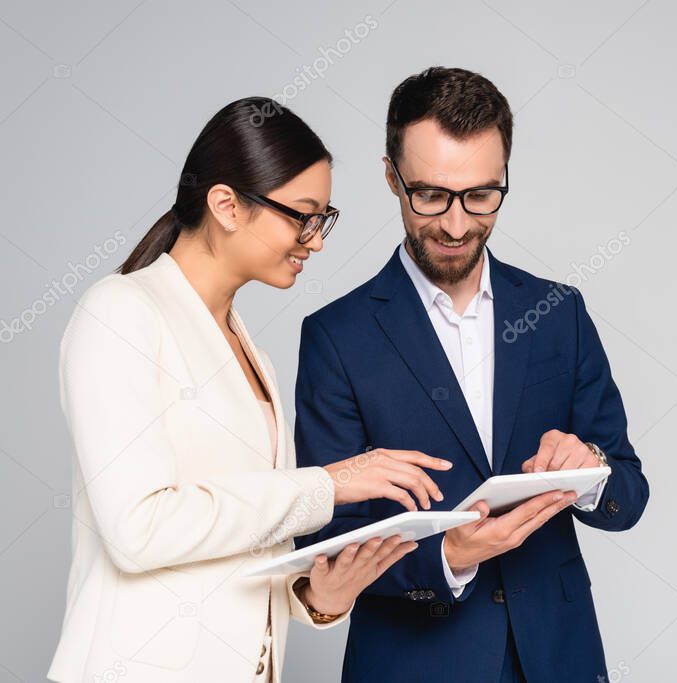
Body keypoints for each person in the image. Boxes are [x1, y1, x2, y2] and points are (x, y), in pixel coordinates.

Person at [48, 97, 452, 683]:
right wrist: (329, 484)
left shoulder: (249, 350)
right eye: (302, 216)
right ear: (226, 205)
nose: (315, 240)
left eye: (323, 218)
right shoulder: (120, 313)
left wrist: (318, 595)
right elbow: (140, 530)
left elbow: (237, 553)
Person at [294, 68, 650, 682]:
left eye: (481, 196)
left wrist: (588, 466)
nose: (457, 226)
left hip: (560, 659)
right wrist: (449, 556)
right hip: (412, 663)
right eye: (430, 195)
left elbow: (628, 494)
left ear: (505, 177)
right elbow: (325, 542)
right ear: (391, 178)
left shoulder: (558, 312)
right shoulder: (336, 337)